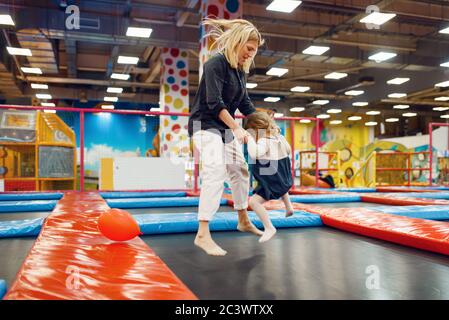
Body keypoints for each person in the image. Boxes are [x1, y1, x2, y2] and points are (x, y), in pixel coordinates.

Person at [188, 18, 265, 256]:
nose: (250, 54)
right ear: (238, 41)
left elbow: (245, 103)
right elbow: (214, 102)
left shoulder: (239, 72)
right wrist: (237, 128)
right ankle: (202, 234)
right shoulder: (215, 64)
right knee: (215, 171)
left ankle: (242, 219)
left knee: (240, 170)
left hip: (223, 129)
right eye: (249, 49)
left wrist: (266, 126)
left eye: (254, 51)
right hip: (205, 125)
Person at [244, 112, 294, 243]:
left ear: (256, 131)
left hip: (272, 181)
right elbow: (288, 150)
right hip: (285, 179)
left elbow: (254, 154)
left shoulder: (264, 141)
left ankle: (269, 227)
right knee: (282, 186)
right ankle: (289, 207)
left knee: (253, 202)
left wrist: (249, 139)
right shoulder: (280, 137)